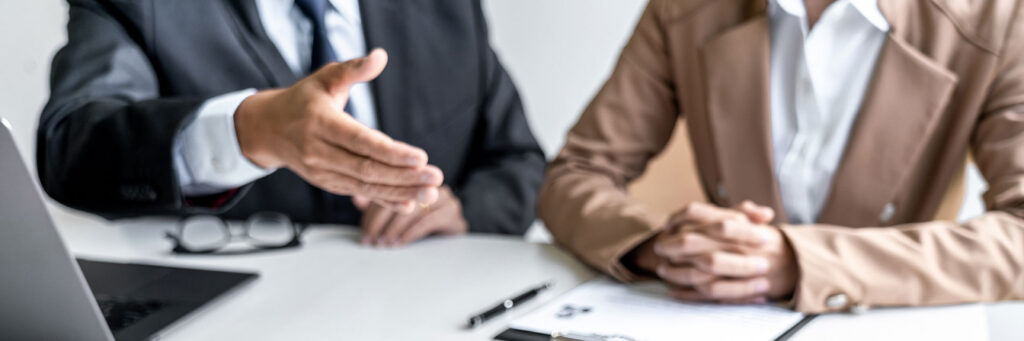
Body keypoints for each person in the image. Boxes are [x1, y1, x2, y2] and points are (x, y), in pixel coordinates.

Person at [539, 0, 1024, 313]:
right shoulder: (682, 9)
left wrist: (802, 262)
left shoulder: (998, 19)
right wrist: (666, 248)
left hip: (890, 320)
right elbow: (575, 174)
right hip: (717, 321)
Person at [38, 0, 545, 247]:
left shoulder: (444, 8)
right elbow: (73, 146)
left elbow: (519, 162)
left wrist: (465, 210)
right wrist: (245, 132)